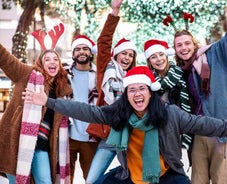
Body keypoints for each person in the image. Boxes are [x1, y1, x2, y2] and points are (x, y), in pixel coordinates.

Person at [23, 66, 227, 184]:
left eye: (142, 88)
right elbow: (85, 110)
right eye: (132, 90)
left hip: (165, 176)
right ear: (127, 94)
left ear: (150, 92)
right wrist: (48, 101)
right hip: (130, 177)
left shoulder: (170, 114)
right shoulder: (117, 114)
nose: (137, 93)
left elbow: (205, 124)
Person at [173, 0, 227, 183]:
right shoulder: (182, 72)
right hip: (198, 133)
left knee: (220, 179)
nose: (184, 47)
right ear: (175, 50)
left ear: (194, 43)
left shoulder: (217, 54)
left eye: (187, 43)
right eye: (179, 45)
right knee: (198, 180)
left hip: (223, 130)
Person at [0, 34, 72, 183]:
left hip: (42, 144)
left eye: (55, 59)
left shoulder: (62, 90)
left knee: (45, 181)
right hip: (17, 141)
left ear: (59, 65)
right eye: (47, 59)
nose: (52, 62)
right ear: (40, 63)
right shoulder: (25, 74)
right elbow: (5, 58)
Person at [86, 0, 137, 183]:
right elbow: (104, 42)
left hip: (131, 135)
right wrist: (114, 12)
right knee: (92, 180)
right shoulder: (105, 68)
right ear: (116, 54)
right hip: (110, 133)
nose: (127, 57)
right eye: (124, 53)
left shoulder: (135, 77)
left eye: (131, 55)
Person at [144, 39, 193, 149]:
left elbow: (187, 104)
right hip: (153, 128)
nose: (159, 59)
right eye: (153, 57)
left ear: (166, 56)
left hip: (175, 127)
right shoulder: (147, 80)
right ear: (149, 61)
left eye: (161, 54)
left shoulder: (179, 75)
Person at [65, 34, 99, 183]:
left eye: (85, 48)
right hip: (67, 135)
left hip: (91, 136)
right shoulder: (64, 74)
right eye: (77, 49)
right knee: (64, 178)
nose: (81, 52)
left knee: (92, 179)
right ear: (73, 54)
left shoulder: (100, 75)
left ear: (91, 52)